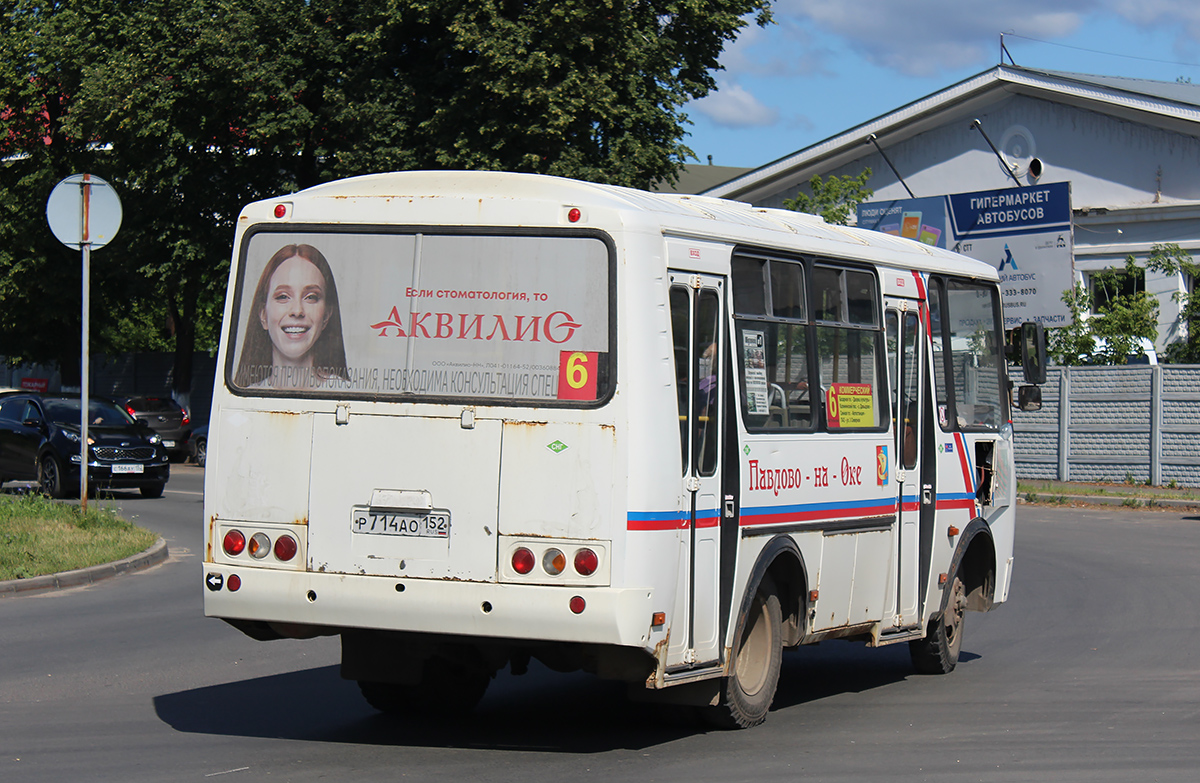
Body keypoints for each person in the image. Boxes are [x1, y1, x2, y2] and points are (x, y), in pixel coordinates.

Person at [235, 244, 349, 389]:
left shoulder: (347, 394)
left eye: (311, 297)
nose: (297, 310)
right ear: (263, 315)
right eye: (283, 296)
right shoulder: (245, 400)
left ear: (326, 316)